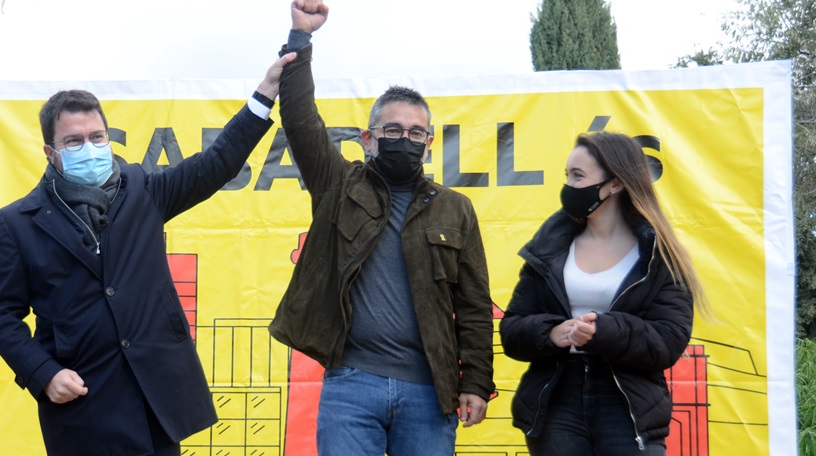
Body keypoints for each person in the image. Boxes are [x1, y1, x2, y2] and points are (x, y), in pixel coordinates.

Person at [0, 54, 295, 456]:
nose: (89, 148)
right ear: (50, 152)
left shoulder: (141, 190)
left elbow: (218, 163)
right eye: (74, 141)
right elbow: (0, 316)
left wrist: (266, 91)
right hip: (83, 408)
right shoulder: (16, 224)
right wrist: (44, 374)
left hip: (156, 399)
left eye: (97, 137)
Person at [267, 1, 496, 454]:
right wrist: (301, 37)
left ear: (429, 145)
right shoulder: (339, 185)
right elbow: (299, 118)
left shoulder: (456, 209)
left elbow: (473, 307)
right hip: (352, 384)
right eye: (392, 130)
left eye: (416, 133)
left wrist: (477, 381)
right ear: (368, 139)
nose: (404, 139)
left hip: (431, 390)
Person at [499, 132, 707, 455]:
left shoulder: (659, 255)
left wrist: (603, 331)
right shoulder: (549, 247)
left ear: (616, 184)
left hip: (627, 403)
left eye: (578, 176)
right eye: (566, 175)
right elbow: (511, 329)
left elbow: (668, 339)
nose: (568, 185)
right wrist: (553, 333)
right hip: (557, 400)